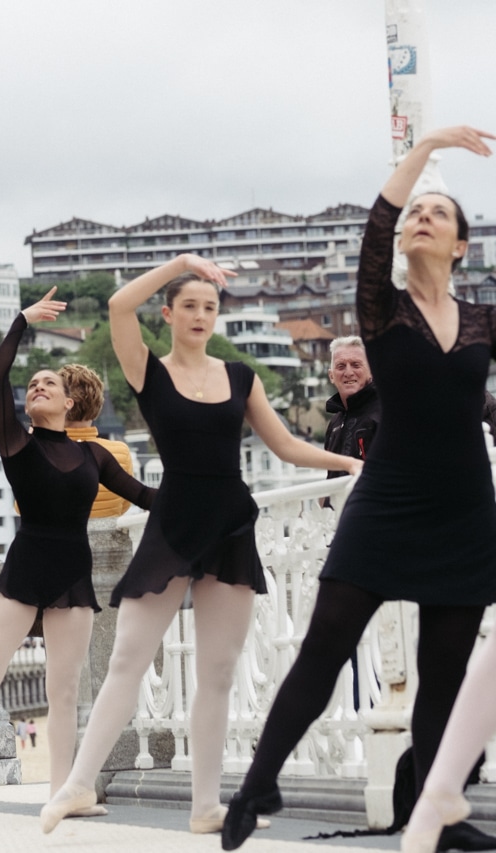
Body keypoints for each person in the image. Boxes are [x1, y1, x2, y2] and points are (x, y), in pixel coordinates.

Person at [221, 126, 496, 852]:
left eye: (438, 214)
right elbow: (379, 223)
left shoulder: (483, 321)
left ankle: (438, 813)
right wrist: (425, 149)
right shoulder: (382, 307)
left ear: (462, 246)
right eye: (416, 214)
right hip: (388, 501)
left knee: (445, 673)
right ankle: (258, 784)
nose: (421, 219)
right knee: (325, 646)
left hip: (466, 511)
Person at [42, 251, 359, 838]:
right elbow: (119, 305)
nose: (199, 315)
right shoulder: (149, 371)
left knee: (217, 671)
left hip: (230, 521)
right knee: (128, 659)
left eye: (209, 307)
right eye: (189, 305)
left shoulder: (240, 377)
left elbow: (286, 446)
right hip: (174, 521)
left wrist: (352, 464)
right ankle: (79, 784)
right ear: (168, 314)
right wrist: (182, 263)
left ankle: (206, 806)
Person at [0, 295, 155, 818]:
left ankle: (62, 795)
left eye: (49, 383)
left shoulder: (94, 454)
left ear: (70, 402)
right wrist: (21, 321)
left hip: (73, 574)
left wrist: (204, 497)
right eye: (33, 384)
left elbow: (144, 496)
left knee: (63, 691)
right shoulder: (17, 443)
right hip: (24, 569)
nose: (37, 387)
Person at [61, 364, 140, 518]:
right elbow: (124, 504)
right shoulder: (120, 451)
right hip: (109, 533)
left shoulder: (42, 450)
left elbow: (22, 507)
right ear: (97, 404)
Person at [323, 336, 380, 475]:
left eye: (356, 365)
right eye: (341, 366)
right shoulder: (335, 423)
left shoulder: (386, 415)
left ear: (371, 371)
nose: (348, 373)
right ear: (331, 376)